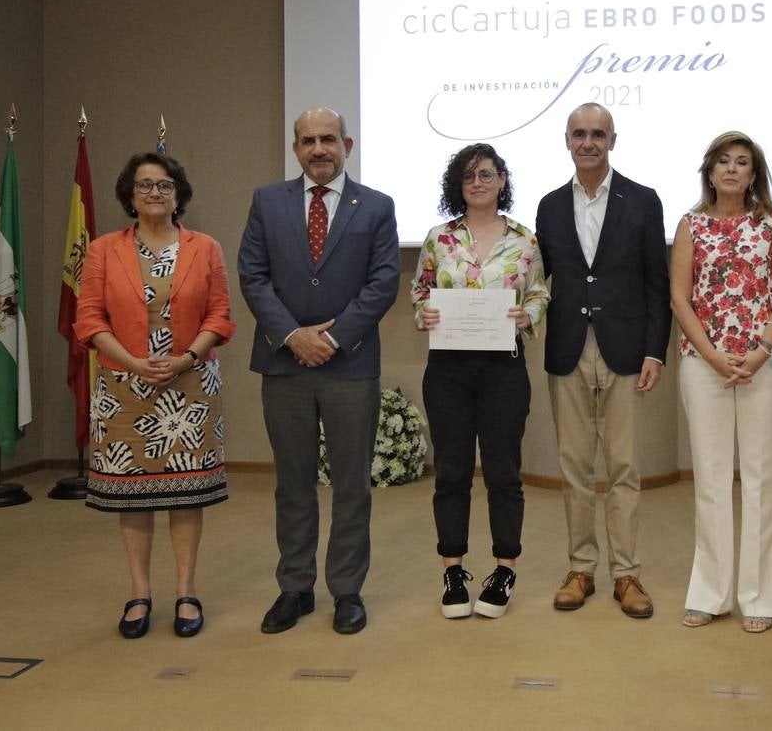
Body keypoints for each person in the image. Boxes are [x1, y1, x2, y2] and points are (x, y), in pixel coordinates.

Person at [238, 106, 401, 636]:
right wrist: (294, 336)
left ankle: (347, 590)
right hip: (284, 365)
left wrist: (330, 337)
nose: (318, 149)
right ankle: (295, 587)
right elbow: (253, 275)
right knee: (292, 483)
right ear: (295, 149)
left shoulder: (375, 206)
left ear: (346, 146)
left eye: (328, 139)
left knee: (352, 483)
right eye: (307, 141)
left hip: (350, 365)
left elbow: (383, 282)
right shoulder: (267, 201)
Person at [74, 152, 236, 640]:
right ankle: (139, 593)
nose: (154, 194)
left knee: (186, 493)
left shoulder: (205, 247)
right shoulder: (104, 250)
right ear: (129, 194)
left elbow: (220, 314)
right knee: (134, 498)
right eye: (144, 186)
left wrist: (186, 358)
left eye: (164, 186)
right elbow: (89, 319)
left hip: (191, 384)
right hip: (123, 386)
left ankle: (187, 590)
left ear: (178, 193)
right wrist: (132, 362)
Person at [534, 102, 672, 618]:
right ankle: (580, 569)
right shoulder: (548, 206)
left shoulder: (643, 200)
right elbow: (535, 279)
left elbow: (657, 284)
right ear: (566, 141)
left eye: (598, 134)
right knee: (572, 466)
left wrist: (654, 349)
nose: (587, 142)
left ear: (613, 140)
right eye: (578, 134)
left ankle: (628, 574)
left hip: (626, 351)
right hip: (568, 348)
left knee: (624, 467)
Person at [411, 144, 549, 619]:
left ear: (502, 179)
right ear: (459, 184)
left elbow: (540, 293)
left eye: (486, 174)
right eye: (468, 176)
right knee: (450, 471)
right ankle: (453, 569)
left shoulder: (525, 240)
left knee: (503, 471)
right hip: (447, 369)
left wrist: (524, 313)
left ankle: (504, 568)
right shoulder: (438, 238)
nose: (478, 182)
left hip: (503, 369)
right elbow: (419, 291)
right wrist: (423, 314)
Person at [669, 132, 772, 633]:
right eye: (723, 161)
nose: (731, 169)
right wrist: (714, 357)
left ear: (753, 174)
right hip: (705, 365)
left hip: (763, 363)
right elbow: (681, 299)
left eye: (742, 162)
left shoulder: (771, 223)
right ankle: (710, 594)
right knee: (712, 480)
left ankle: (761, 597)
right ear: (709, 171)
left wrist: (759, 352)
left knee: (761, 479)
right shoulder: (690, 225)